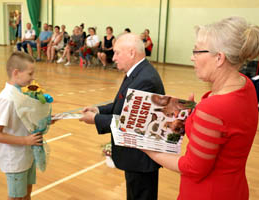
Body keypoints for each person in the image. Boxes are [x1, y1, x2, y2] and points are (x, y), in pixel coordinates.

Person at [143, 16, 259, 200]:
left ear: (219, 58)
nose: (192, 57)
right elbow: (227, 127)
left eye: (197, 51)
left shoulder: (213, 108)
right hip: (234, 190)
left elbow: (193, 168)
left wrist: (147, 148)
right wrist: (195, 116)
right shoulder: (246, 85)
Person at [80, 33, 165, 200]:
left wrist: (95, 120)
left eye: (118, 52)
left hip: (140, 158)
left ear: (132, 53)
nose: (114, 57)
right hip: (135, 155)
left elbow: (131, 123)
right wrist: (98, 110)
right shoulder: (138, 73)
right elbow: (123, 105)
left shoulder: (144, 79)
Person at [0, 52, 42, 200]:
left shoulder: (22, 93)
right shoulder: (6, 99)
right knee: (16, 197)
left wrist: (44, 120)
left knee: (27, 192)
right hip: (15, 159)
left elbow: (24, 119)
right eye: (30, 73)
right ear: (16, 73)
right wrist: (25, 141)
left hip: (27, 154)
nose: (33, 77)